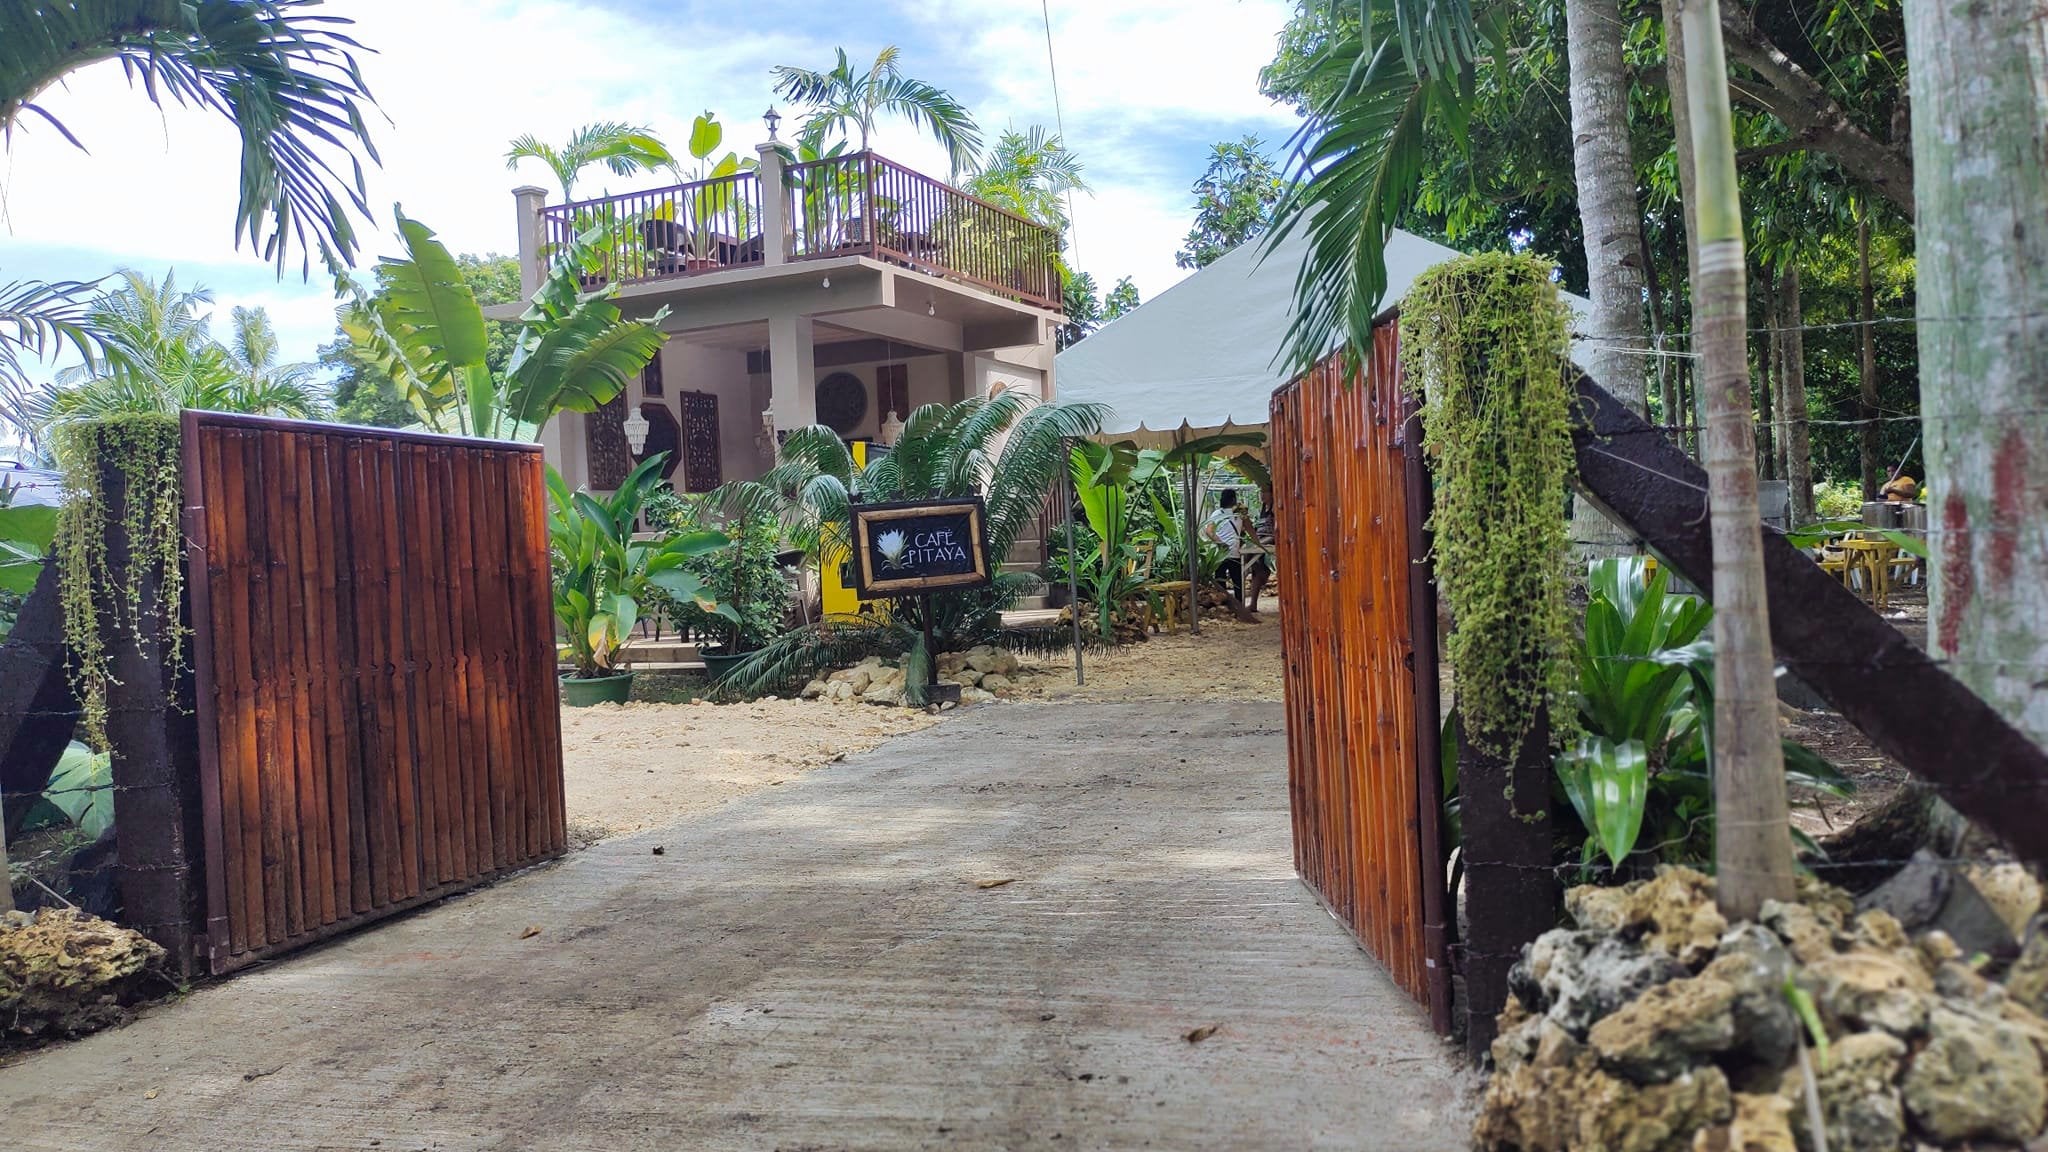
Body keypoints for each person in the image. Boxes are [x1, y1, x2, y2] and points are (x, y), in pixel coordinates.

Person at [1203, 488, 1245, 602]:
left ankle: (1224, 605)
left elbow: (1209, 531)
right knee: (1237, 582)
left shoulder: (1217, 514)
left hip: (1220, 554)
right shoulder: (1239, 514)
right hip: (1234, 553)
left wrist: (1221, 543)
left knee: (1220, 582)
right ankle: (1239, 606)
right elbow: (1247, 529)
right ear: (1233, 499)